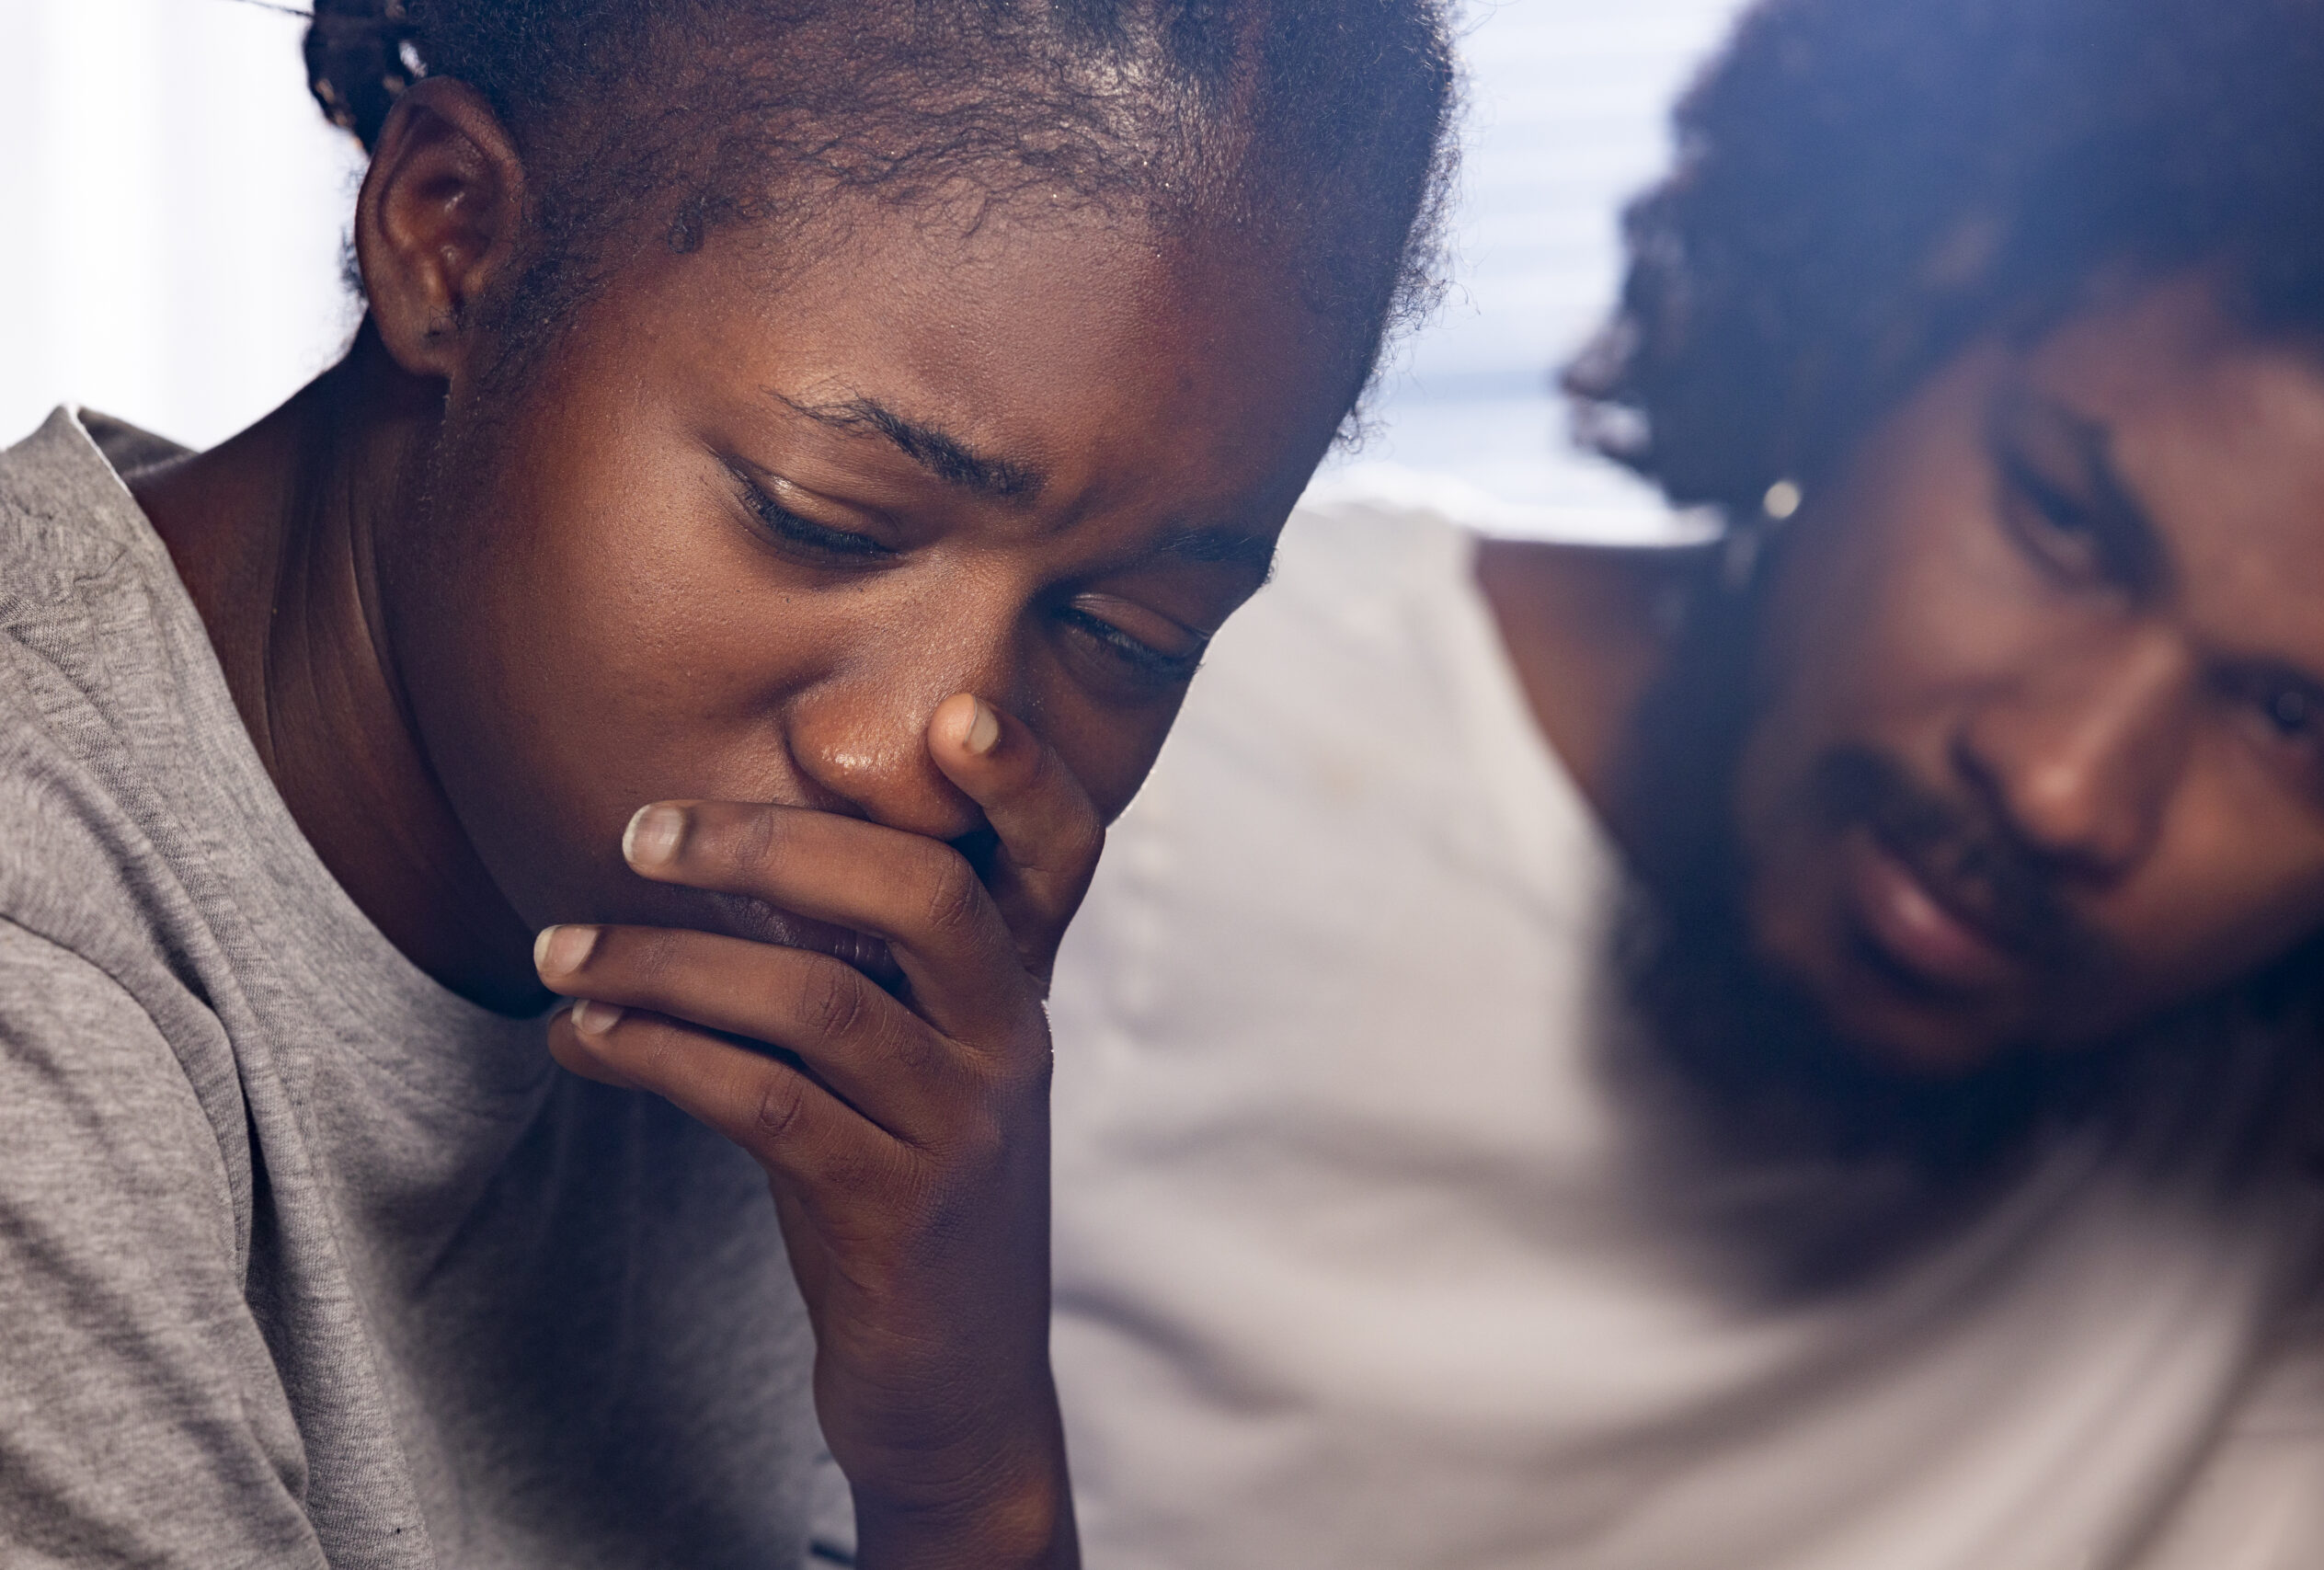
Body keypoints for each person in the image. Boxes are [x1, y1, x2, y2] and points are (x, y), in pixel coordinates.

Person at [0, 3, 1454, 1565]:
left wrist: (965, 1467)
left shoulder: (725, 952)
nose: (925, 760)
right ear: (453, 237)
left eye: (1129, 634)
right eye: (822, 518)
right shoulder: (48, 972)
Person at [1047, 0, 2324, 1564]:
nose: (2066, 787)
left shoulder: (2280, 1241)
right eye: (2060, 521)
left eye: (2299, 725)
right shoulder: (1133, 744)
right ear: (1895, 310)